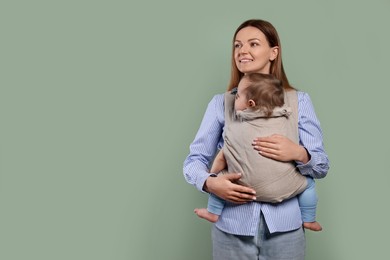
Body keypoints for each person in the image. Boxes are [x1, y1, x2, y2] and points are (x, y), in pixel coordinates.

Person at [183, 19, 329, 259]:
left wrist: (299, 153)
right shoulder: (222, 103)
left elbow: (322, 165)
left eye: (253, 44)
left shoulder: (298, 101)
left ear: (274, 52)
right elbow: (194, 161)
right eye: (237, 45)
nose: (243, 51)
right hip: (231, 227)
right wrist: (210, 183)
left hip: (286, 229)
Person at [194, 73, 322, 232]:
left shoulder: (235, 129)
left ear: (250, 103)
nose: (234, 98)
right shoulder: (285, 115)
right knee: (308, 184)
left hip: (242, 186)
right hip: (284, 187)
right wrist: (301, 153)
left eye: (238, 96)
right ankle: (309, 219)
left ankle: (213, 212)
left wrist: (211, 177)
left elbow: (222, 158)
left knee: (220, 178)